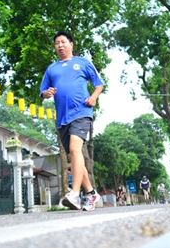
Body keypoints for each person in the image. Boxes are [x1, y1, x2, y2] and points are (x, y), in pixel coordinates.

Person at [40, 31, 104, 211]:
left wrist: (94, 97)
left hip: (82, 111)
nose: (60, 46)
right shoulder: (52, 68)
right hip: (62, 119)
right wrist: (46, 93)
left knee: (76, 150)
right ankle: (91, 193)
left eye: (63, 42)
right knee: (74, 157)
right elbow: (43, 91)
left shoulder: (82, 62)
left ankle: (74, 193)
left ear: (71, 44)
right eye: (57, 43)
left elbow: (99, 83)